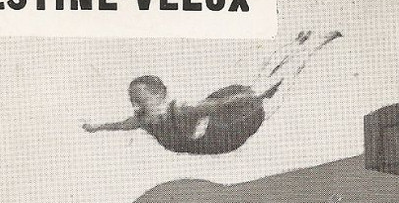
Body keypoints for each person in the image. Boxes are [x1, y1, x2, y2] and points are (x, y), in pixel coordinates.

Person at [83, 31, 342, 154]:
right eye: (133, 101)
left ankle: (313, 44)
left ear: (160, 96)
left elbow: (218, 106)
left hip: (232, 125)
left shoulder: (182, 111)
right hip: (219, 135)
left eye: (140, 101)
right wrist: (96, 127)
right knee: (262, 78)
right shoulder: (142, 120)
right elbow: (118, 125)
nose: (135, 106)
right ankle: (297, 43)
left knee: (276, 80)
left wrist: (256, 98)